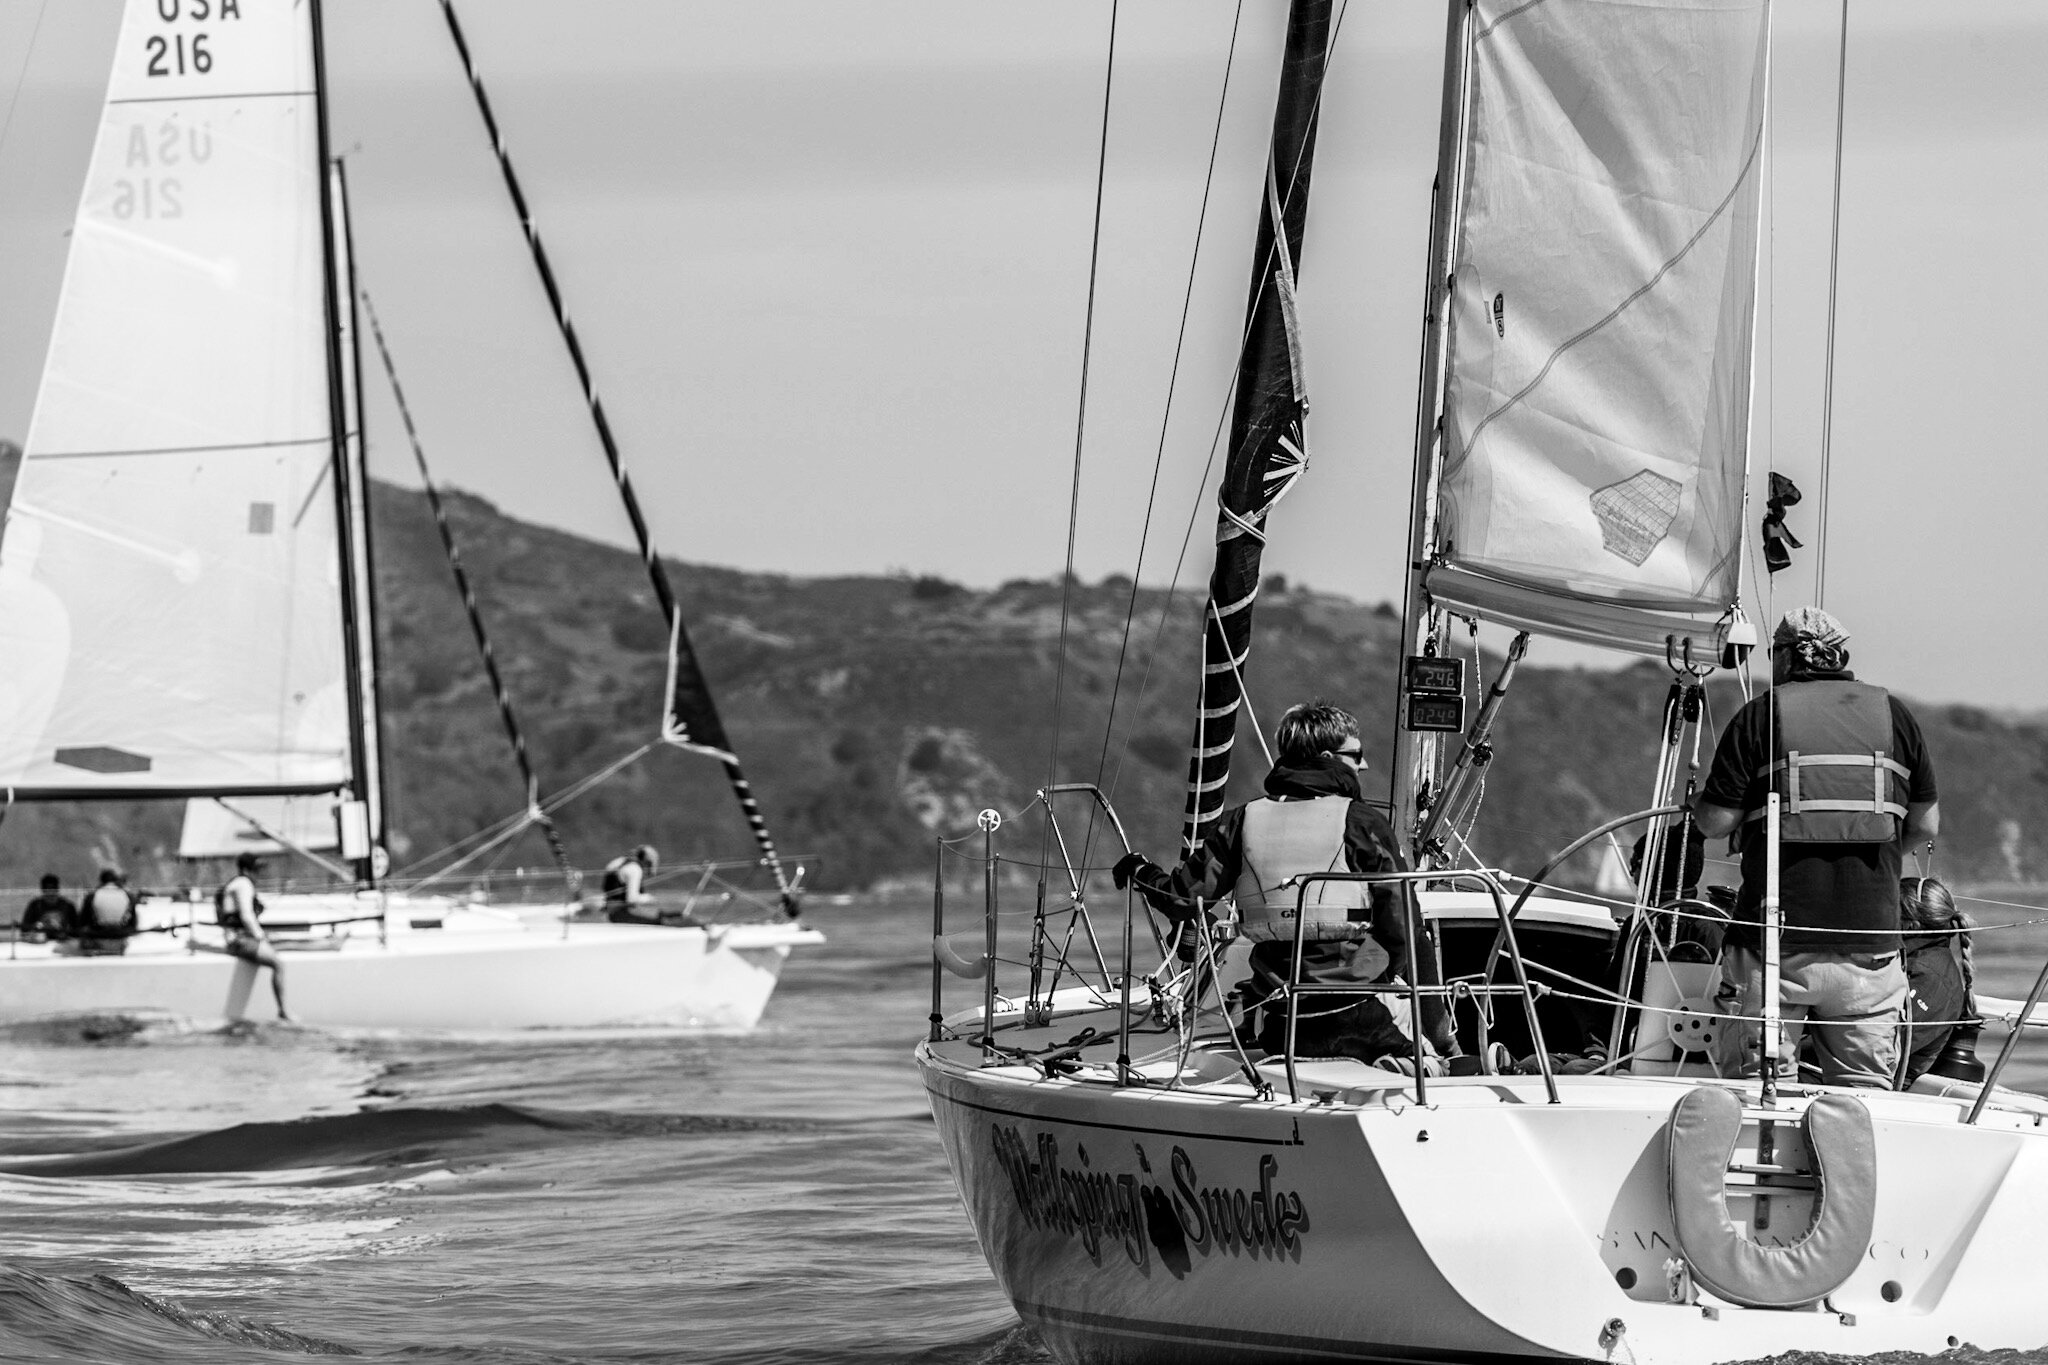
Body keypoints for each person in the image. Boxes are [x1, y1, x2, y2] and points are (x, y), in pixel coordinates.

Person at [1112, 700, 1444, 1069]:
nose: (1363, 764)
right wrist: (1387, 977)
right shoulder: (1362, 823)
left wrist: (1139, 870)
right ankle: (1446, 1053)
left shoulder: (1243, 821)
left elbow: (1181, 898)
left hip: (1284, 1024)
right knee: (1426, 982)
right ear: (1327, 756)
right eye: (1356, 754)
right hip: (1362, 1015)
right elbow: (1403, 926)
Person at [1691, 607, 1939, 1088]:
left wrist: (1700, 803)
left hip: (1773, 946)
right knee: (1861, 1101)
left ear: (1785, 659)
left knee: (1757, 1092)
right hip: (1870, 949)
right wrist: (1881, 854)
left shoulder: (1761, 715)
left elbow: (1716, 822)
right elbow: (1925, 824)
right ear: (1840, 655)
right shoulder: (1895, 715)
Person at [1900, 876, 1976, 1085]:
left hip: (1886, 1084)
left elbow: (1890, 1043)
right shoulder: (1917, 959)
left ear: (1909, 924)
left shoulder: (1929, 976)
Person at [217, 853, 291, 1021]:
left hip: (240, 938)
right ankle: (283, 1011)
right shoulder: (243, 884)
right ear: (246, 870)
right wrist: (260, 937)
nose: (259, 873)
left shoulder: (239, 883)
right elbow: (246, 916)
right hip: (239, 941)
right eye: (256, 869)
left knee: (277, 946)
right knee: (278, 964)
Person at [76, 868, 139, 954]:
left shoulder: (92, 895)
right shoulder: (128, 896)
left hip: (98, 935)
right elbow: (133, 923)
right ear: (116, 880)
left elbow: (82, 921)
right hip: (120, 934)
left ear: (101, 881)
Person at [603, 845, 661, 924]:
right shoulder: (634, 869)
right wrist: (648, 898)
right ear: (646, 861)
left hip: (610, 913)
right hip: (621, 915)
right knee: (659, 920)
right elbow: (632, 899)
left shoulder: (619, 862)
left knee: (658, 915)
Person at [17, 874, 75, 942]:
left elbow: (77, 930)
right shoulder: (35, 906)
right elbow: (24, 929)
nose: (50, 894)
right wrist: (37, 928)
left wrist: (66, 933)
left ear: (57, 890)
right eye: (47, 892)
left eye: (53, 891)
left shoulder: (68, 906)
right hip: (40, 944)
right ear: (43, 891)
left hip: (63, 943)